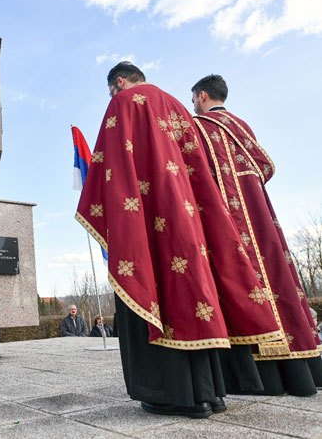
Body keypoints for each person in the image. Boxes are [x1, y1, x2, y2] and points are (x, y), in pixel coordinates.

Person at [77, 62, 285, 419]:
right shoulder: (176, 105)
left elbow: (111, 166)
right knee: (192, 294)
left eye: (112, 89)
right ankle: (210, 393)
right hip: (188, 219)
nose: (113, 95)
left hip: (144, 218)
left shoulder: (124, 102)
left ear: (119, 82)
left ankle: (171, 395)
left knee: (154, 288)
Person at [192, 74, 322, 396]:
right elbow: (266, 166)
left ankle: (256, 377)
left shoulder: (200, 127)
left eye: (193, 97)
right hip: (261, 216)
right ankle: (298, 372)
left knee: (237, 277)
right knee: (276, 274)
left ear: (202, 96)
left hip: (229, 220)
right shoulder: (242, 126)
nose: (193, 103)